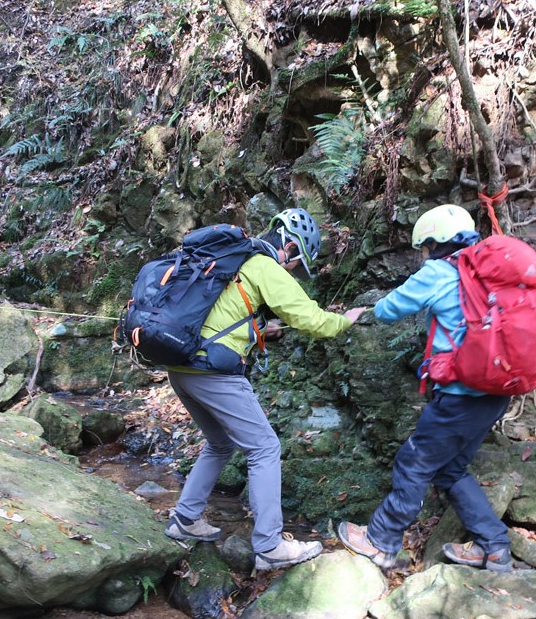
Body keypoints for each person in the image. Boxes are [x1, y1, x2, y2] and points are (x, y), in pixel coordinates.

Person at [164, 208, 367, 570]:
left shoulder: (235, 261)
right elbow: (312, 319)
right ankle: (270, 546)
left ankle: (184, 519)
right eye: (297, 264)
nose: (293, 272)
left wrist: (260, 330)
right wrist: (345, 320)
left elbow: (219, 317)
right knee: (265, 448)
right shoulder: (264, 265)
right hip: (212, 373)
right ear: (289, 245)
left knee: (221, 443)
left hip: (180, 366)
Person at [337, 204, 513, 572]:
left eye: (425, 247)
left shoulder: (438, 272)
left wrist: (358, 314)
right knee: (449, 471)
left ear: (435, 243)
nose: (424, 254)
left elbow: (388, 309)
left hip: (461, 395)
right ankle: (495, 547)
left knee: (413, 463)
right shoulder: (490, 271)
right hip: (497, 391)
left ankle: (380, 541)